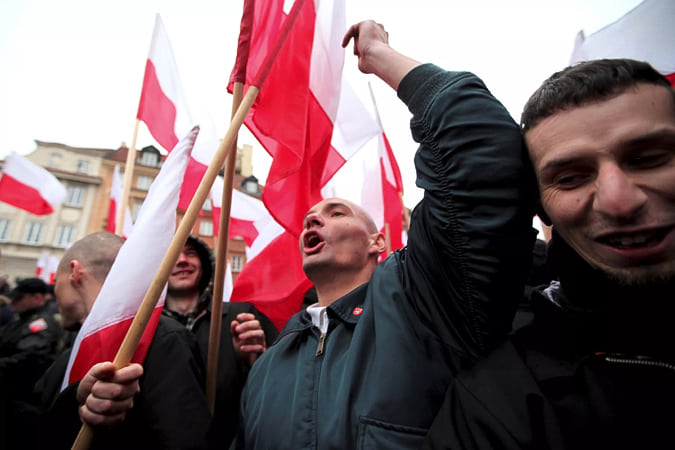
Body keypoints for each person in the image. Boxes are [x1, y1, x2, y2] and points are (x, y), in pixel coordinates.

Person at [235, 20, 536, 449]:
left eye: (335, 212)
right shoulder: (268, 367)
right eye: (310, 218)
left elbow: (481, 149)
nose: (312, 220)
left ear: (379, 242)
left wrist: (378, 56)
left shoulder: (427, 303)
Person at [423, 58, 675, 450]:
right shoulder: (498, 404)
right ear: (541, 207)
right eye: (571, 178)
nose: (620, 201)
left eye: (648, 159)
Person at [35, 231, 212, 449]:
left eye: (56, 279)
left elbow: (185, 437)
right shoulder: (68, 354)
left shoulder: (163, 338)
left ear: (75, 271)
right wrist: (74, 402)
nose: (54, 289)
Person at [163, 235, 278, 447]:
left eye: (191, 253)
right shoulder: (145, 331)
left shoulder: (241, 315)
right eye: (173, 255)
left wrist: (257, 361)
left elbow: (281, 385)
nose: (182, 260)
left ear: (205, 264)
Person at [0, 277, 62, 449]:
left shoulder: (40, 323)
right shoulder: (20, 320)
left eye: (19, 297)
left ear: (36, 298)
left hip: (24, 400)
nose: (14, 301)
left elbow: (29, 357)